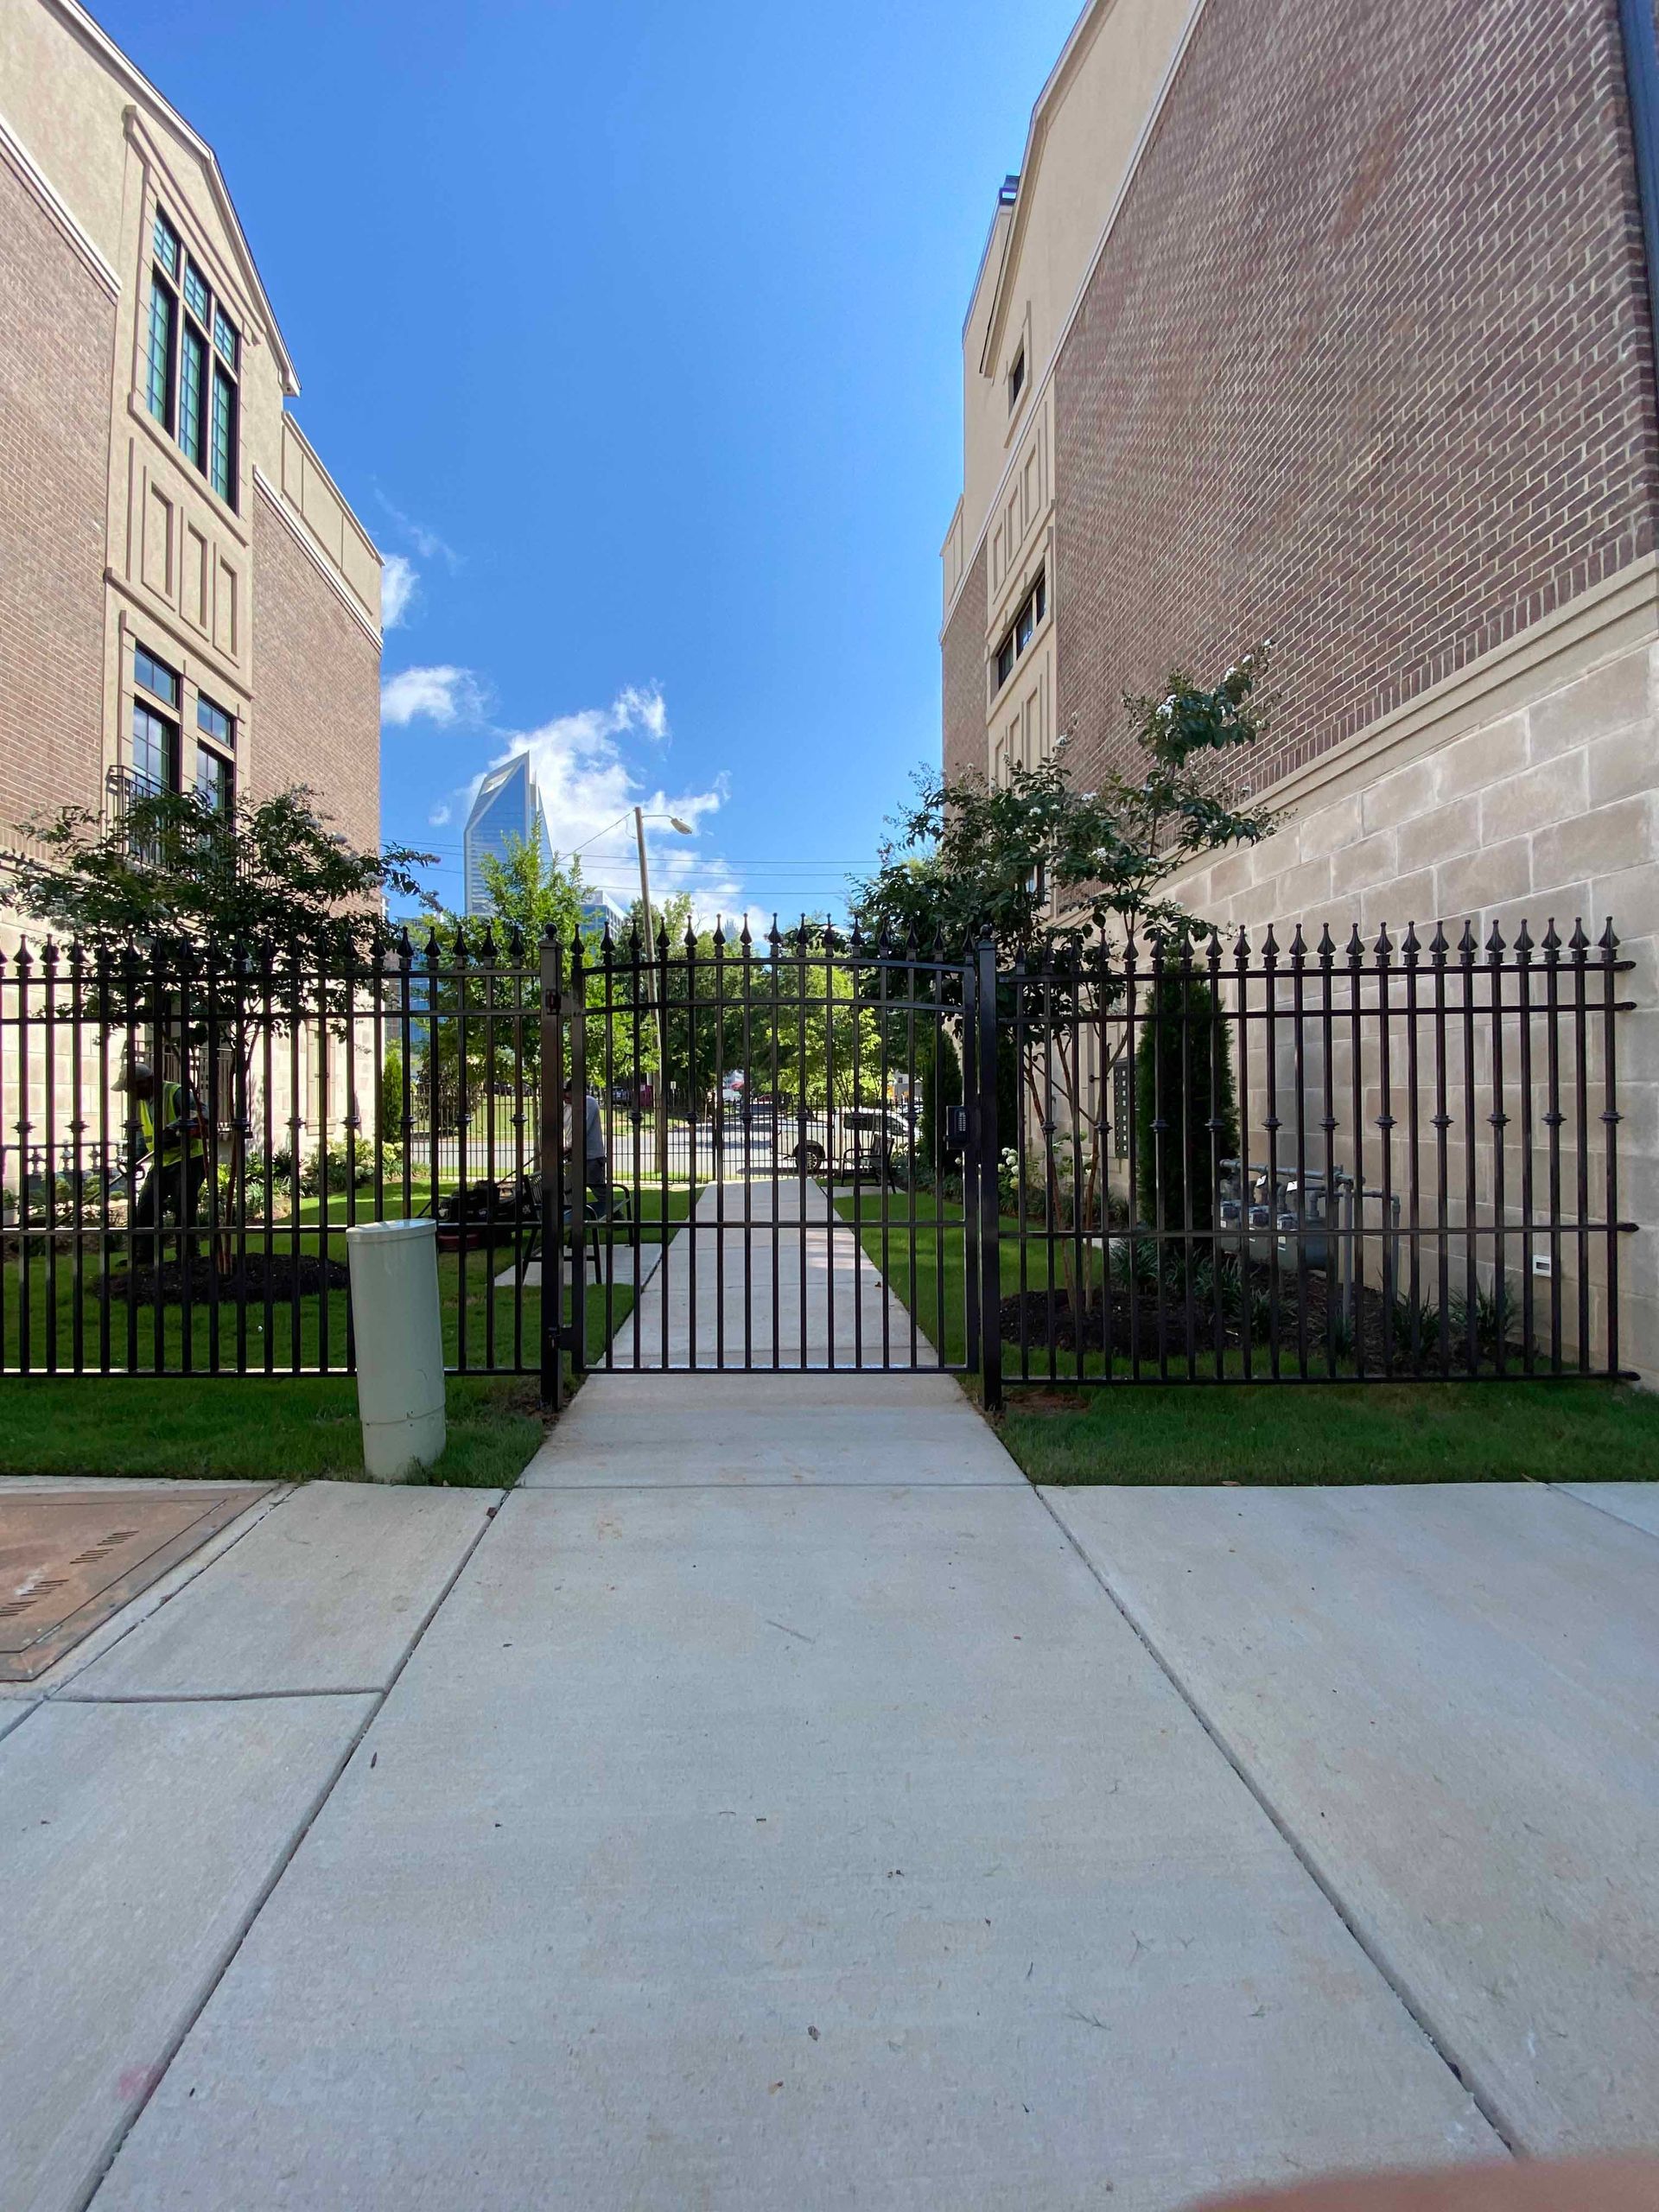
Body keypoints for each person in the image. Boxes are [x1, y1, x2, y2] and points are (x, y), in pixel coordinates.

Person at [119, 1058, 207, 1266]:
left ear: (147, 1081)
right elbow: (143, 1136)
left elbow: (203, 1112)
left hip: (189, 1160)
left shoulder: (174, 1092)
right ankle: (145, 1255)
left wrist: (175, 1129)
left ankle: (188, 1255)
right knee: (146, 1208)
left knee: (183, 1208)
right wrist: (135, 1159)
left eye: (131, 1087)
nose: (128, 1093)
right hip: (161, 1163)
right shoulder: (140, 1104)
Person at [561, 1076, 608, 1205]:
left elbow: (581, 1130)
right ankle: (576, 1219)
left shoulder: (589, 1103)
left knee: (599, 1191)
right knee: (569, 1189)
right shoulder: (565, 1107)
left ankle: (617, 1218)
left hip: (591, 1157)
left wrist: (568, 1147)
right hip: (573, 1157)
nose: (565, 1095)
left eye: (567, 1091)